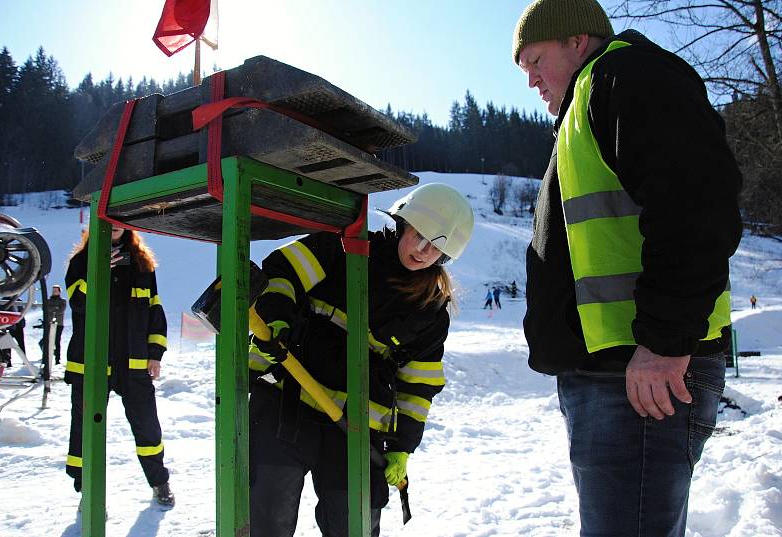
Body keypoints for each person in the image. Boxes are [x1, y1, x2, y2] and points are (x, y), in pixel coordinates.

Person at [511, 0, 743, 535]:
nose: (531, 81)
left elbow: (697, 203)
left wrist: (664, 342)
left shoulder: (625, 75)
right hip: (616, 374)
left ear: (576, 39)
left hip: (640, 375)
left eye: (535, 60)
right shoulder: (587, 103)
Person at [247, 183, 474, 537]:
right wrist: (276, 318)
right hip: (286, 402)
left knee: (355, 526)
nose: (424, 251)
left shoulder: (430, 310)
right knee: (266, 520)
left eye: (437, 249)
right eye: (419, 235)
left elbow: (417, 387)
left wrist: (402, 448)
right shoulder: (343, 248)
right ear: (403, 223)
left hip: (353, 430)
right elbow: (281, 274)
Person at [64, 225, 175, 509]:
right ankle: (86, 491)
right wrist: (98, 270)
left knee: (147, 426)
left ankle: (159, 482)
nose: (115, 225)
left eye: (121, 220)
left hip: (133, 363)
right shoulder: (81, 262)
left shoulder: (142, 263)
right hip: (91, 363)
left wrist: (155, 353)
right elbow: (78, 303)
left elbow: (154, 309)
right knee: (84, 429)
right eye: (108, 220)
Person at [45, 284, 66, 365]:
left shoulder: (62, 301)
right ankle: (46, 358)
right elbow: (47, 309)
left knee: (57, 341)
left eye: (56, 290)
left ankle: (57, 359)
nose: (54, 292)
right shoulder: (48, 301)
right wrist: (55, 308)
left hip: (59, 324)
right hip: (49, 323)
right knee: (48, 341)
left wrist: (53, 309)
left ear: (59, 292)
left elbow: (61, 310)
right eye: (53, 290)